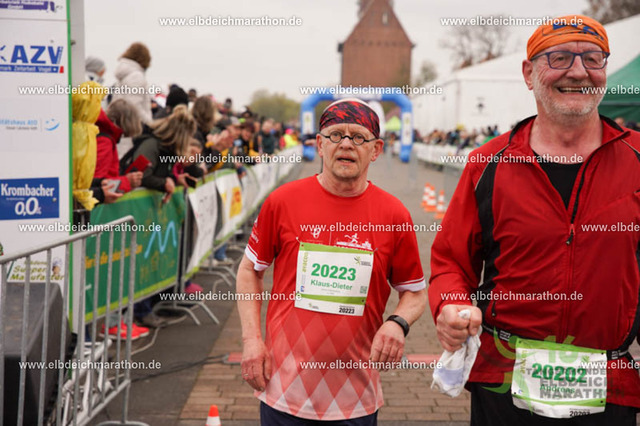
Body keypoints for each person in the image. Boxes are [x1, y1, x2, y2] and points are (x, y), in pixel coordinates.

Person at [429, 15, 640, 425]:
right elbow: (451, 261)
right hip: (504, 380)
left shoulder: (637, 159)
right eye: (559, 58)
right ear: (529, 73)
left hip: (607, 384)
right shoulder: (488, 164)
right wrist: (451, 302)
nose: (578, 71)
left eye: (593, 58)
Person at [237, 98, 427, 424]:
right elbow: (249, 270)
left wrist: (398, 323)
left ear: (376, 149)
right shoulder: (283, 201)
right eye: (336, 134)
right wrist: (252, 340)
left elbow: (415, 291)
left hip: (355, 398)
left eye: (359, 137)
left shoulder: (394, 214)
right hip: (284, 390)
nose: (347, 144)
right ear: (319, 144)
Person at [112, 42, 152, 124]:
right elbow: (134, 106)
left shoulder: (124, 75)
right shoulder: (136, 76)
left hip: (121, 122)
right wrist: (150, 123)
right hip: (134, 125)